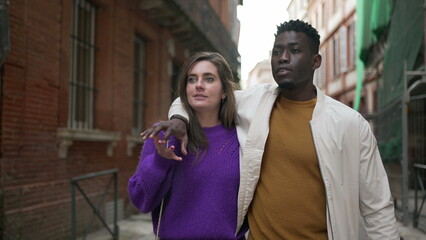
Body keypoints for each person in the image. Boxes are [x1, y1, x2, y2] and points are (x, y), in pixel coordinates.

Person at [141, 20, 400, 239]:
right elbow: (195, 99)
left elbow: (378, 207)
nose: (283, 58)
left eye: (294, 50)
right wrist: (180, 120)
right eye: (277, 52)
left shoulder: (350, 124)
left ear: (316, 61)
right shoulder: (253, 102)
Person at [128, 52, 248, 239]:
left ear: (224, 91)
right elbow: (140, 200)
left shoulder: (242, 137)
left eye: (209, 79)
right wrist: (160, 162)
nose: (199, 85)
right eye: (192, 79)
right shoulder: (164, 135)